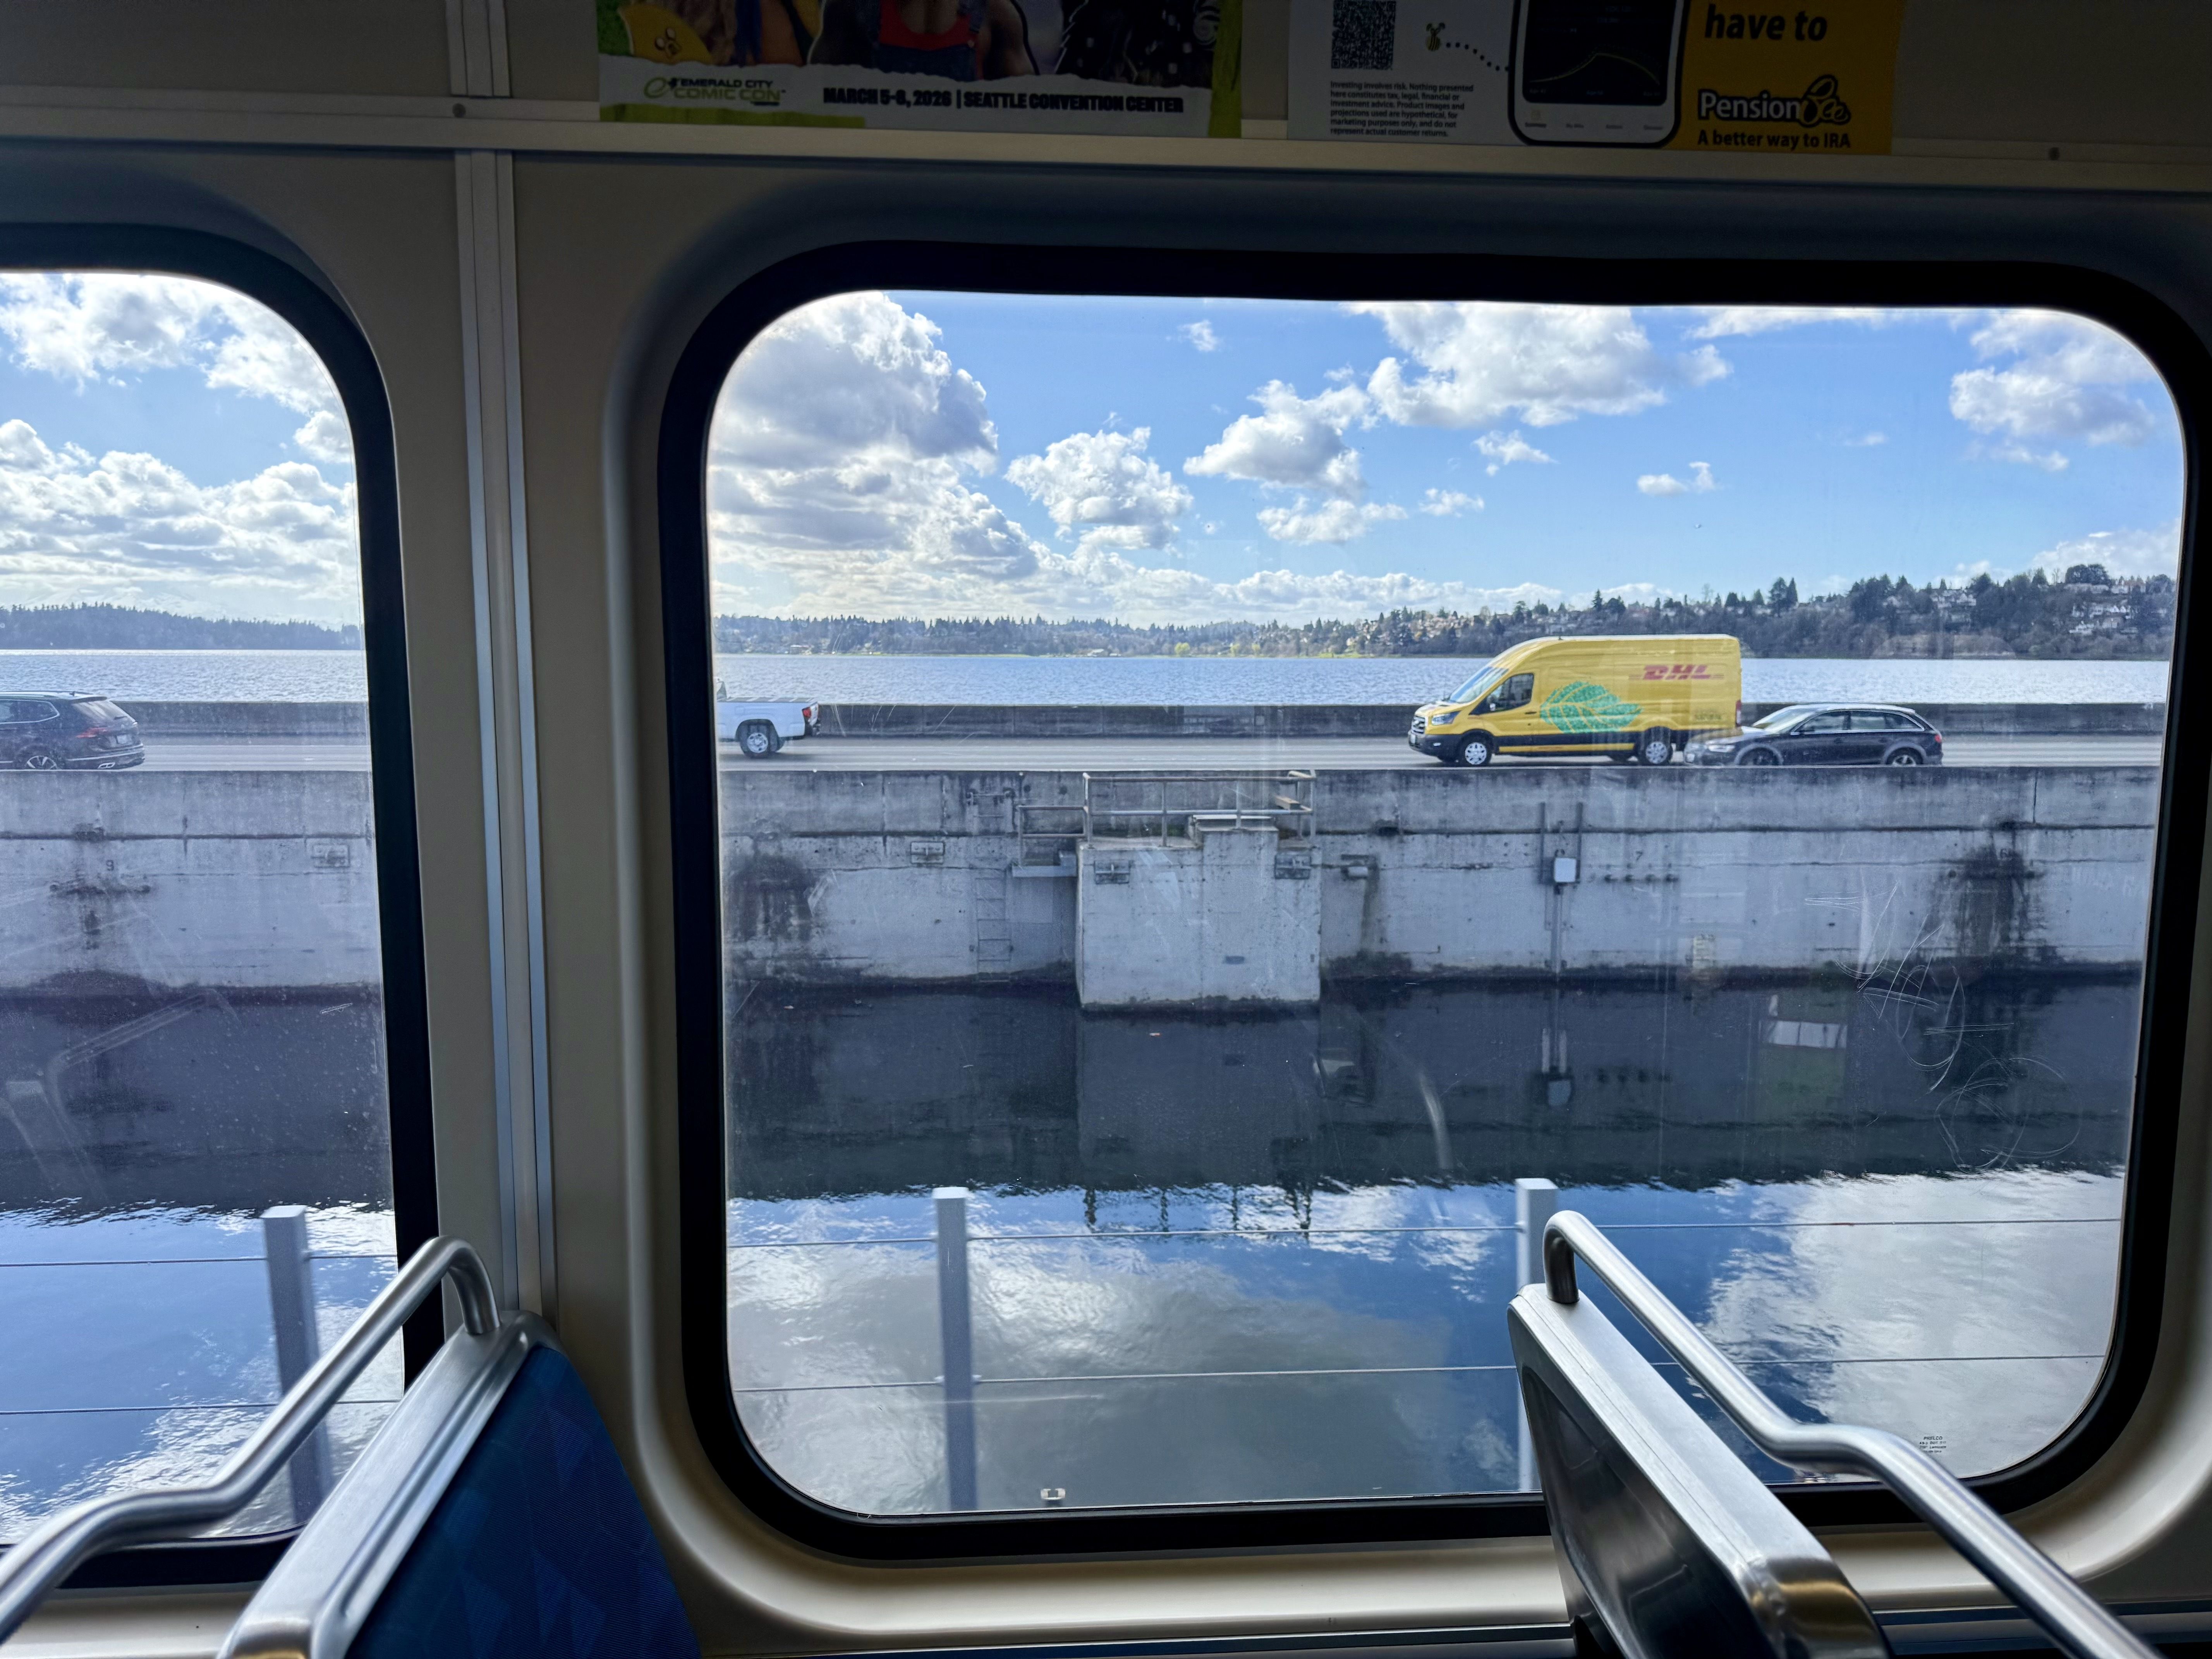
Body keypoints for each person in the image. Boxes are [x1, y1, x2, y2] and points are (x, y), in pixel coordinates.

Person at [810, 0, 1037, 80]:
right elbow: (815, 109)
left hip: (963, 173)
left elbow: (1029, 119)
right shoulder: (849, 10)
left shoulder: (996, 15)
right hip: (877, 172)